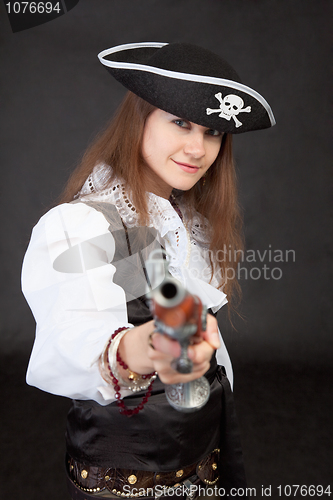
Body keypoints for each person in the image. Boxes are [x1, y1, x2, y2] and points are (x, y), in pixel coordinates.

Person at [22, 42, 275, 500]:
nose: (198, 148)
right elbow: (74, 340)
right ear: (140, 117)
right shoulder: (79, 226)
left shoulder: (183, 220)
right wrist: (146, 347)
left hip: (203, 457)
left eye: (213, 132)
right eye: (180, 122)